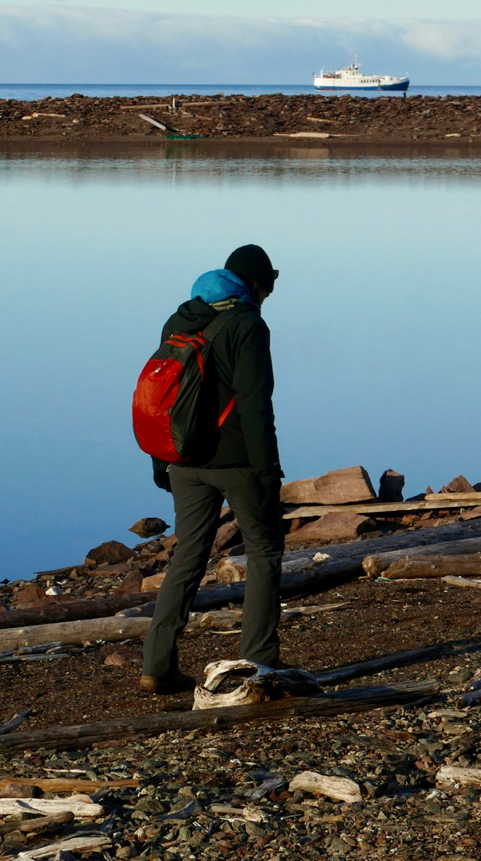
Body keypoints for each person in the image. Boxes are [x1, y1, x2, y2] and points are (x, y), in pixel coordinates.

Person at [140, 243, 291, 694]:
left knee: (188, 553)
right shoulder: (248, 324)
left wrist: (161, 461)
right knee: (264, 552)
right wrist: (269, 470)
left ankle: (157, 665)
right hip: (238, 462)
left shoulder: (182, 318)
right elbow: (254, 405)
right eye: (270, 285)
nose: (269, 294)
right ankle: (258, 663)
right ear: (257, 284)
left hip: (183, 460)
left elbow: (161, 396)